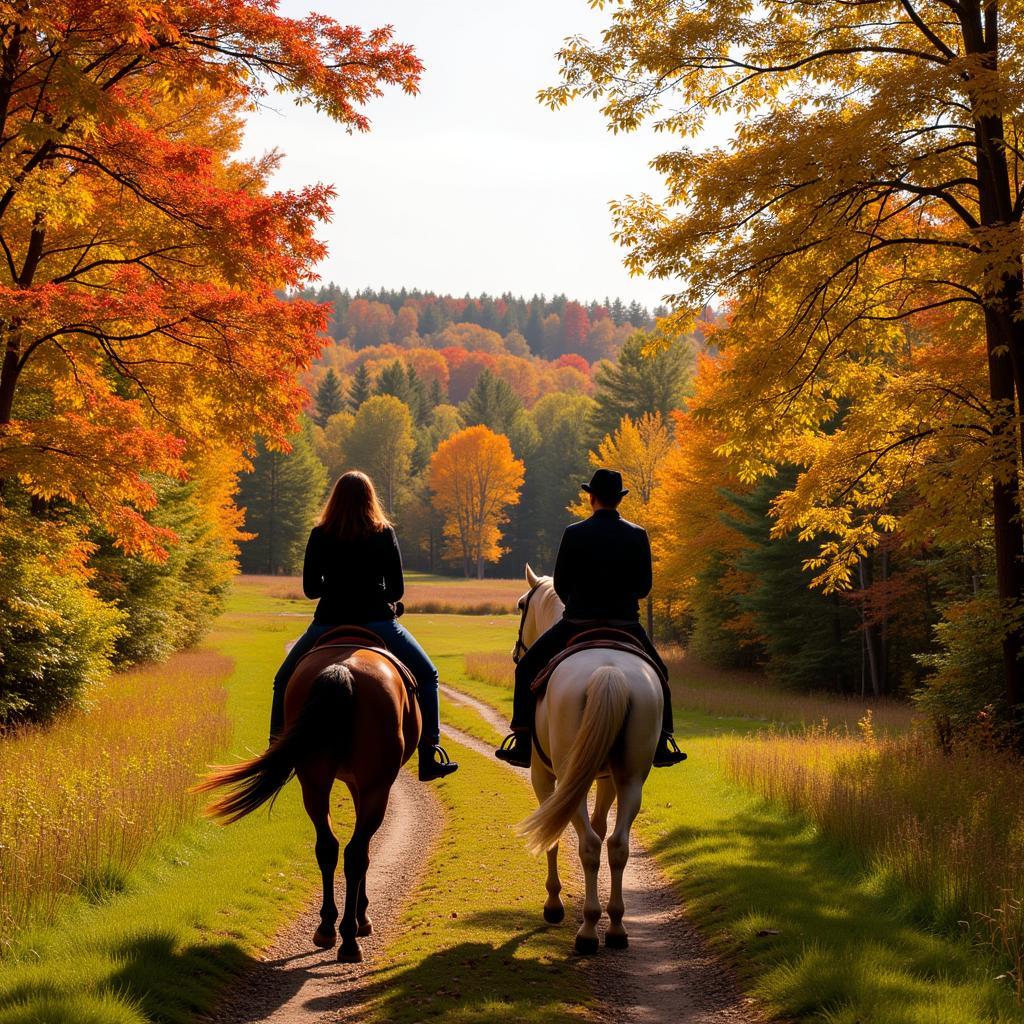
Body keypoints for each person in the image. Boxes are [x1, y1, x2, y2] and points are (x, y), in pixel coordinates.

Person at [269, 470, 458, 782]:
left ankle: (276, 752)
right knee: (427, 675)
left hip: (329, 621)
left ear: (335, 499)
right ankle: (430, 754)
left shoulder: (320, 534)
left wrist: (336, 586)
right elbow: (396, 590)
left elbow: (311, 590)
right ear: (370, 498)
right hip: (377, 621)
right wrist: (380, 596)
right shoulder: (384, 533)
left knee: (283, 679)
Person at [495, 468, 686, 769]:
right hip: (626, 625)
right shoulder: (637, 535)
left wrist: (580, 601)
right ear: (618, 500)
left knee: (526, 667)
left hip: (577, 623)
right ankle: (663, 741)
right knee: (660, 672)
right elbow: (644, 587)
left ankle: (520, 739)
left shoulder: (574, 533)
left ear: (591, 497)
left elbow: (560, 585)